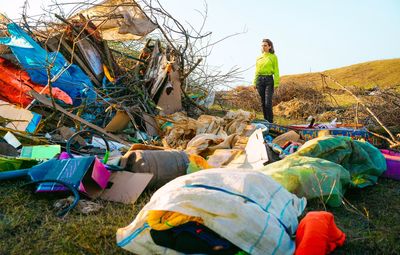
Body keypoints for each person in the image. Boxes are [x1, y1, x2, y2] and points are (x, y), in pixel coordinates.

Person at [253, 38, 280, 123]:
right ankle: (265, 121)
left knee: (268, 103)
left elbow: (276, 70)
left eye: (265, 45)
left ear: (269, 47)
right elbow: (256, 71)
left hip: (269, 80)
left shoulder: (273, 57)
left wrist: (276, 83)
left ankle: (270, 121)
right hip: (259, 81)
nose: (263, 47)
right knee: (263, 102)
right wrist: (254, 82)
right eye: (262, 46)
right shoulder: (258, 58)